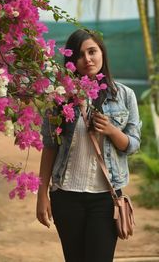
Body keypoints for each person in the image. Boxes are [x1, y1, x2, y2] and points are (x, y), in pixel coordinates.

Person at [36, 29, 141, 262]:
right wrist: (42, 194)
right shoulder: (60, 97)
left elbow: (133, 145)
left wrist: (112, 131)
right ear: (71, 62)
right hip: (65, 196)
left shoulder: (124, 96)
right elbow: (50, 146)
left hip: (105, 199)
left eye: (92, 51)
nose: (87, 59)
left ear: (102, 53)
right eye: (79, 55)